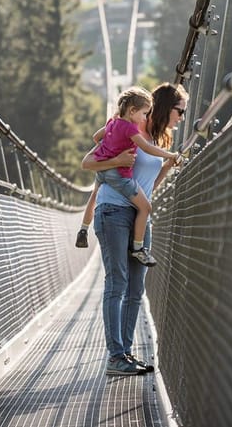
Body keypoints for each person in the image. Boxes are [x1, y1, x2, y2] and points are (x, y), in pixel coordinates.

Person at [80, 82, 188, 376]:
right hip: (113, 211)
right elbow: (89, 162)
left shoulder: (155, 141)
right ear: (167, 108)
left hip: (141, 215)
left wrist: (168, 165)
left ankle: (125, 355)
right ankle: (115, 357)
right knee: (118, 282)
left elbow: (149, 187)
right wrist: (116, 160)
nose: (182, 117)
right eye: (180, 111)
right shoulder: (126, 128)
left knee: (136, 288)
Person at [82, 86, 179, 267]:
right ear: (133, 111)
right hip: (121, 185)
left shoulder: (112, 124)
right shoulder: (130, 130)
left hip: (112, 181)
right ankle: (138, 248)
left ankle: (84, 228)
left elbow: (96, 137)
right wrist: (170, 155)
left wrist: (107, 148)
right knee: (146, 208)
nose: (145, 117)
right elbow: (146, 147)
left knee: (96, 192)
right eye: (144, 113)